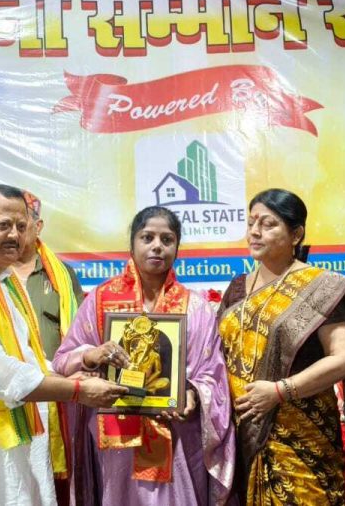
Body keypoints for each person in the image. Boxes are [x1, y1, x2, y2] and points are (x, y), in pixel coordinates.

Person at [0, 183, 127, 506]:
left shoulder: (5, 284)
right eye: (3, 225)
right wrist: (77, 390)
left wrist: (78, 367)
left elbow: (29, 359)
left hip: (12, 448)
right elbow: (0, 374)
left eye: (21, 226)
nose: (14, 235)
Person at [53, 206, 235, 505]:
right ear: (132, 244)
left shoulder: (196, 307)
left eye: (167, 239)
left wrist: (192, 394)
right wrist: (92, 355)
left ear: (177, 247)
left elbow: (211, 374)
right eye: (147, 237)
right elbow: (63, 361)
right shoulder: (101, 299)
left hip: (176, 432)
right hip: (117, 440)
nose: (157, 246)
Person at [216, 189, 345, 506]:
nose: (255, 231)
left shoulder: (319, 288)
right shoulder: (237, 288)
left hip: (303, 438)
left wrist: (279, 391)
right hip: (243, 436)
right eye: (251, 223)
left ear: (296, 234)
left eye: (268, 224)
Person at [13, 190, 84, 360]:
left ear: (38, 227)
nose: (14, 231)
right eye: (7, 223)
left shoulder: (63, 275)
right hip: (5, 373)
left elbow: (81, 331)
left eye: (21, 223)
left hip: (56, 373)